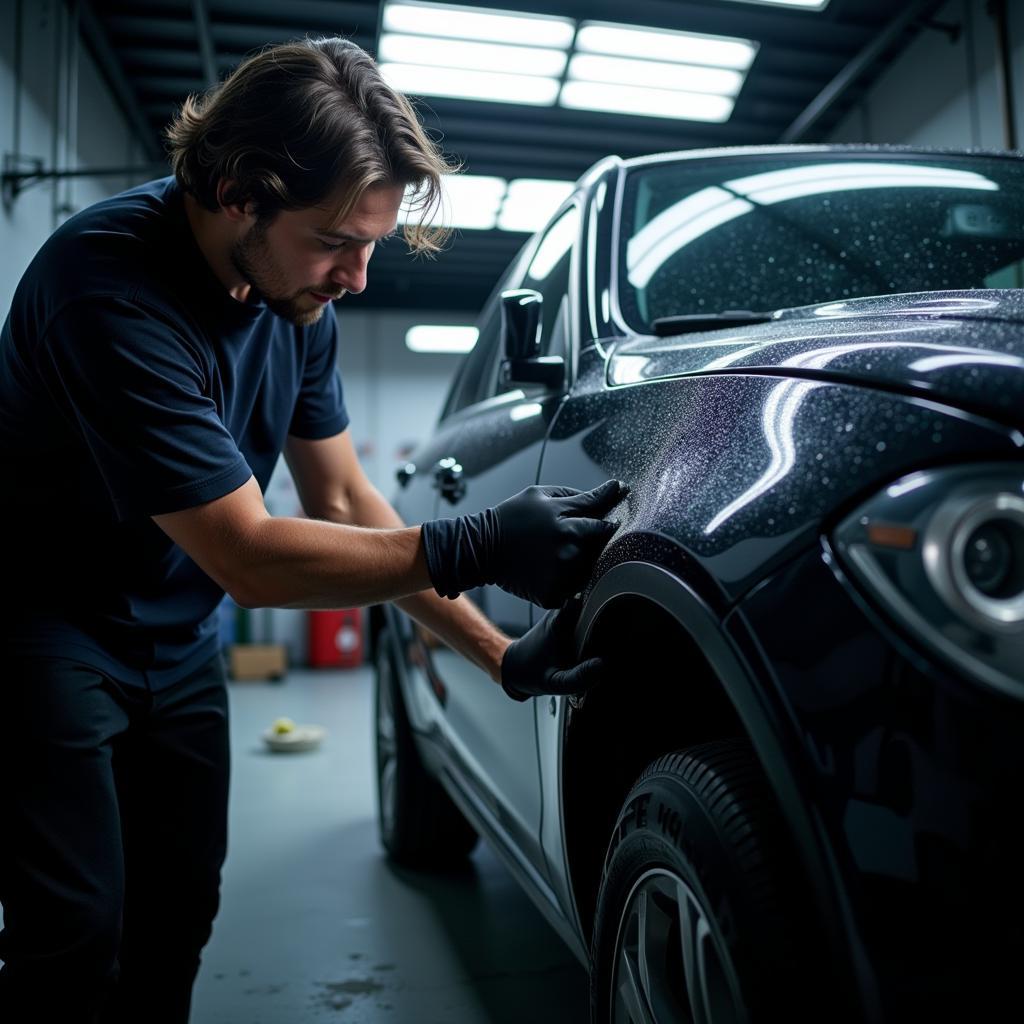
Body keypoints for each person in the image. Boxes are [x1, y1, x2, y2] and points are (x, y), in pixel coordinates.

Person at [0, 36, 626, 1023]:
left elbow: (338, 500)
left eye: (370, 243)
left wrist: (495, 654)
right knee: (73, 926)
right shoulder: (107, 289)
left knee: (180, 907)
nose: (358, 276)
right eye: (338, 241)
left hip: (177, 633)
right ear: (241, 190)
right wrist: (484, 541)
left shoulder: (296, 305)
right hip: (46, 630)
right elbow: (248, 555)